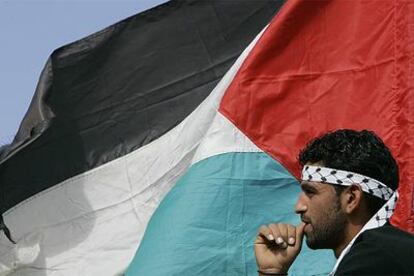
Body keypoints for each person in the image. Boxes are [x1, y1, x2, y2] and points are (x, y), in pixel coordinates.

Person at [254, 129, 414, 275]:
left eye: (310, 192)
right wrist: (271, 270)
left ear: (351, 198)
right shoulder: (385, 253)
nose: (299, 207)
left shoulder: (372, 263)